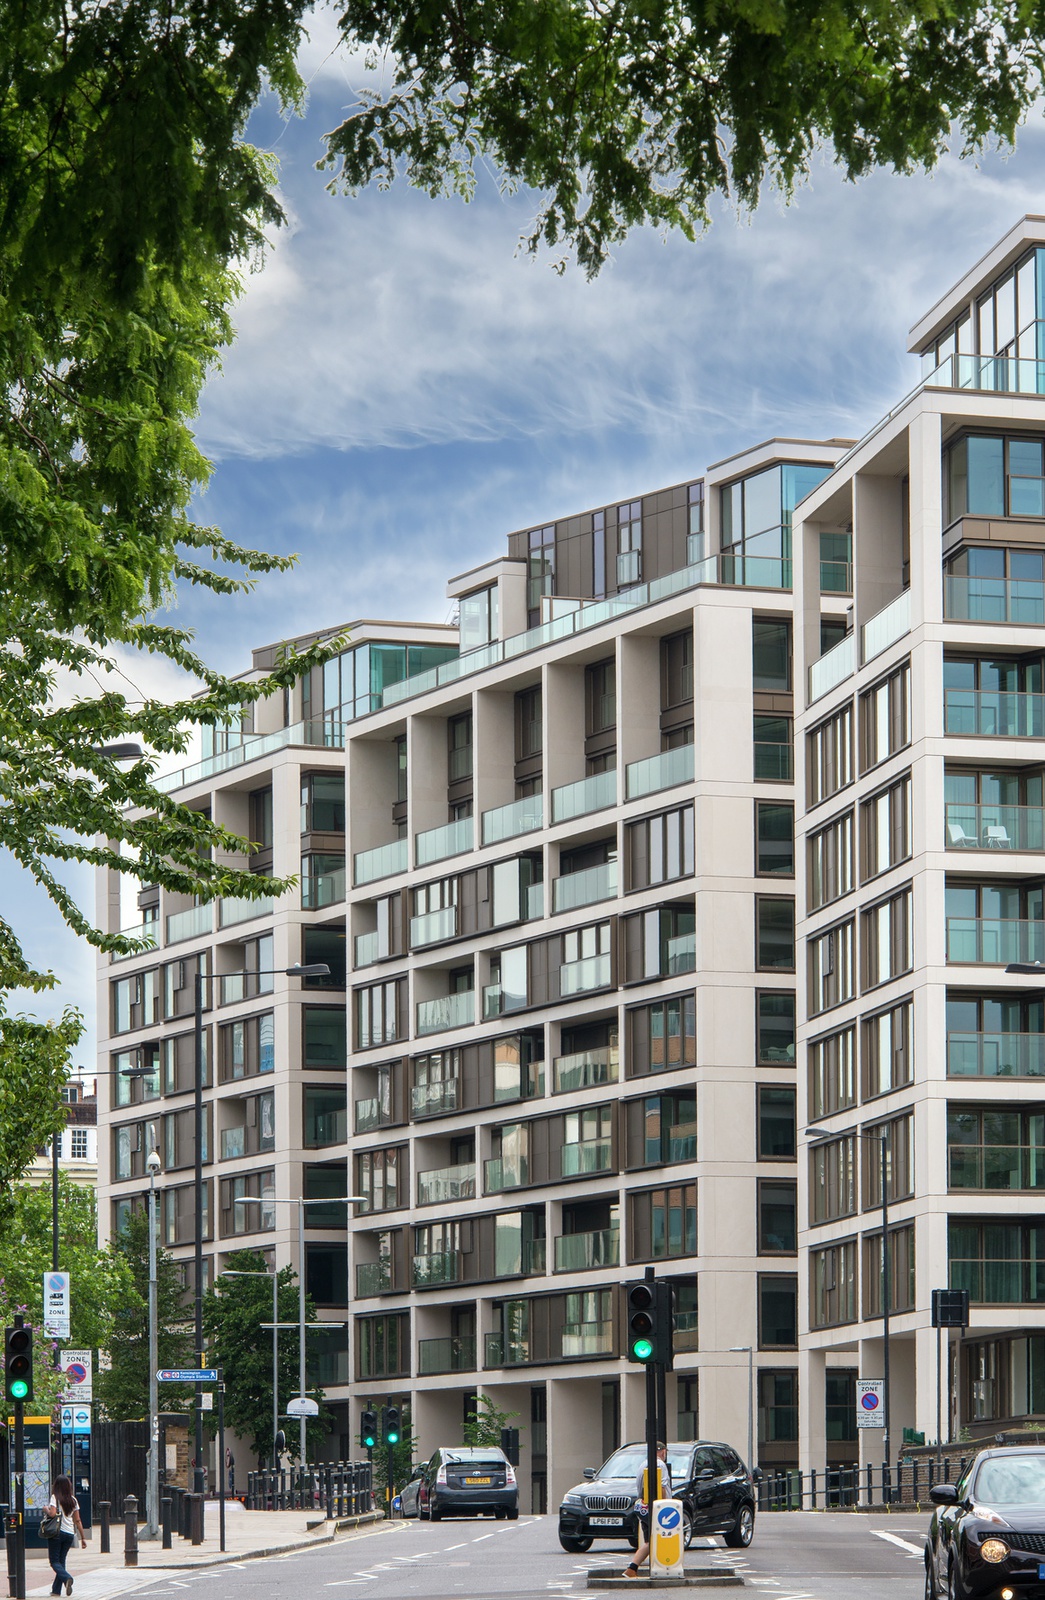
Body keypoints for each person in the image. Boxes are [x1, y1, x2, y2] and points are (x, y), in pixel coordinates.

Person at [623, 1443, 673, 1579]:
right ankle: (663, 1568)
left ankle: (631, 1569)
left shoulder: (643, 1464)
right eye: (665, 1452)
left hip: (642, 1505)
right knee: (660, 1538)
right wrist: (664, 1506)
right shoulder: (660, 1465)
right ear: (662, 1451)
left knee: (649, 1541)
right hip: (656, 1507)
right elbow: (661, 1488)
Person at [45, 1475, 85, 1597]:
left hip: (57, 1533)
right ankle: (56, 1590)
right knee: (61, 1561)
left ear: (56, 1486)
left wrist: (46, 1509)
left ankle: (67, 1578)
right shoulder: (73, 1500)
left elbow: (52, 1513)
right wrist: (83, 1537)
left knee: (54, 1561)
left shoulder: (55, 1497)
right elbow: (77, 1520)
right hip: (69, 1534)